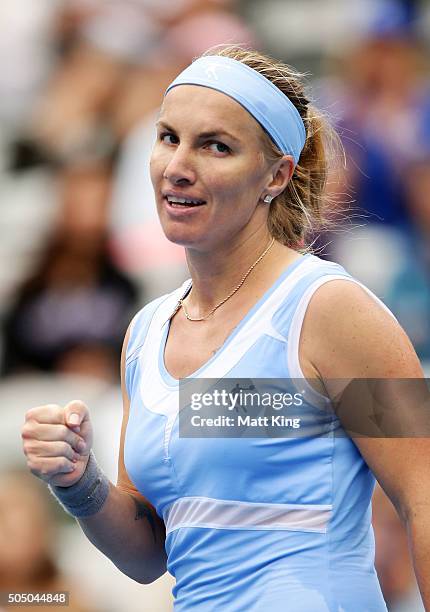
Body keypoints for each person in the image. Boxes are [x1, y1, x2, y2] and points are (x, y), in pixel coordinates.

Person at [21, 46, 429, 611]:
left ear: (277, 174)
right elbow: (148, 556)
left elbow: (423, 493)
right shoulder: (145, 334)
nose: (178, 165)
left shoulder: (331, 310)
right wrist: (78, 482)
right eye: (168, 138)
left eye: (216, 146)